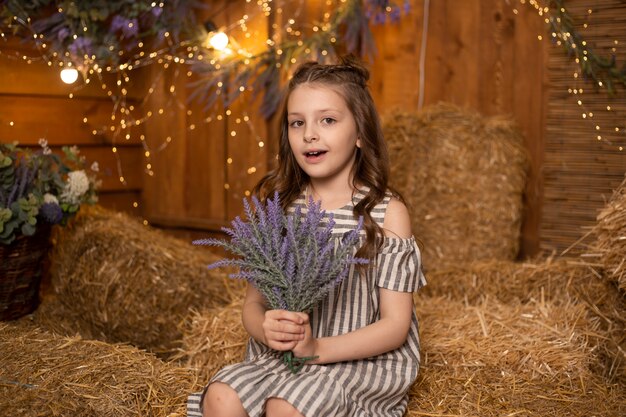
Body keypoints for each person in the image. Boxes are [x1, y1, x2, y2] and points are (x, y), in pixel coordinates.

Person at [187, 56, 427, 417]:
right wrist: (266, 330)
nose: (309, 134)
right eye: (297, 123)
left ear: (360, 132)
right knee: (220, 396)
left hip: (354, 362)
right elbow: (253, 305)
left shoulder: (386, 213)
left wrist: (317, 348)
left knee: (285, 407)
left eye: (327, 120)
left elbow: (395, 326)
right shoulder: (280, 209)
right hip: (284, 358)